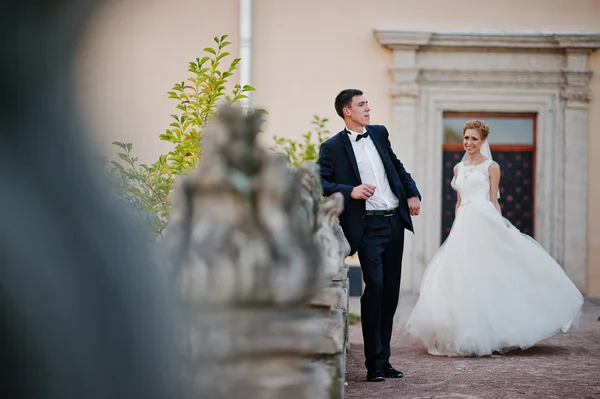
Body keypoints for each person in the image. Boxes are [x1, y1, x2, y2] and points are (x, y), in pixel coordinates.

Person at [405, 120, 583, 357]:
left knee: (490, 271)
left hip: (485, 218)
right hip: (464, 223)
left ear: (483, 141)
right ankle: (461, 330)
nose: (469, 142)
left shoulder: (492, 166)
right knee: (460, 274)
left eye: (474, 139)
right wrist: (457, 229)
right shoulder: (458, 168)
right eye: (466, 138)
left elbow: (493, 199)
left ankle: (496, 330)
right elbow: (458, 203)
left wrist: (500, 224)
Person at [317, 89, 421, 381]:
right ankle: (372, 364)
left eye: (367, 103)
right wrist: (350, 190)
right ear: (346, 111)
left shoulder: (379, 133)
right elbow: (320, 180)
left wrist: (412, 193)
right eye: (362, 104)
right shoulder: (332, 147)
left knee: (390, 293)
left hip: (394, 223)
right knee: (374, 287)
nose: (368, 108)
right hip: (368, 227)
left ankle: (384, 360)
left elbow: (397, 168)